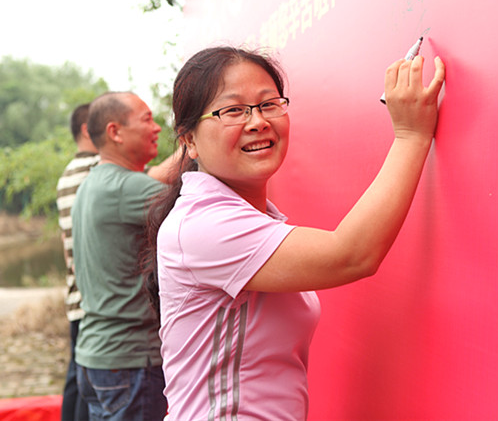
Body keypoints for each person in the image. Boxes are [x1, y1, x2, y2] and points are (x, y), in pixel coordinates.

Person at [140, 46, 445, 420]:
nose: (257, 122)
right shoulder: (202, 226)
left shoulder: (246, 217)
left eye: (269, 104)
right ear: (188, 141)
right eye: (233, 110)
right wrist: (411, 135)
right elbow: (351, 255)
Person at [72, 91, 181, 420]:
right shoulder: (127, 189)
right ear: (115, 132)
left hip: (96, 355)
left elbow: (150, 182)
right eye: (147, 119)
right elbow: (198, 203)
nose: (158, 128)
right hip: (130, 360)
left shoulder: (93, 184)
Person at [56, 103, 99, 421]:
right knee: (89, 388)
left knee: (76, 381)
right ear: (88, 129)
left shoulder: (66, 176)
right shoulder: (98, 169)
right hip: (94, 302)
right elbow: (153, 179)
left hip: (75, 299)